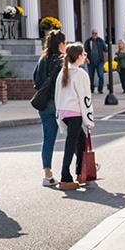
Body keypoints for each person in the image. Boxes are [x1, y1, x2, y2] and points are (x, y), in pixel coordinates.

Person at [54, 42, 95, 191]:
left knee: (81, 141)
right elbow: (86, 99)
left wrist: (58, 115)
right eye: (84, 54)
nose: (85, 57)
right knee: (71, 144)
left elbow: (57, 95)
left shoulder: (63, 72)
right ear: (78, 57)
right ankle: (65, 175)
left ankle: (80, 172)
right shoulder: (81, 74)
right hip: (75, 113)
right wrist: (89, 120)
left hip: (64, 112)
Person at [32, 29, 66, 187]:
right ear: (60, 44)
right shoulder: (62, 61)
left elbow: (36, 81)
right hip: (60, 103)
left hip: (45, 104)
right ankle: (77, 170)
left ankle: (47, 174)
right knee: (75, 136)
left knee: (48, 139)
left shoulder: (42, 59)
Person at [84, 28, 107, 94]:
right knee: (91, 76)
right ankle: (91, 89)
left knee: (101, 75)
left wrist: (105, 58)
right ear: (92, 34)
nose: (94, 34)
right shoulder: (88, 41)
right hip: (91, 62)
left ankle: (100, 89)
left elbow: (105, 49)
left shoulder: (100, 41)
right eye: (93, 33)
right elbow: (85, 51)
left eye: (96, 33)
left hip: (100, 61)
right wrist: (86, 58)